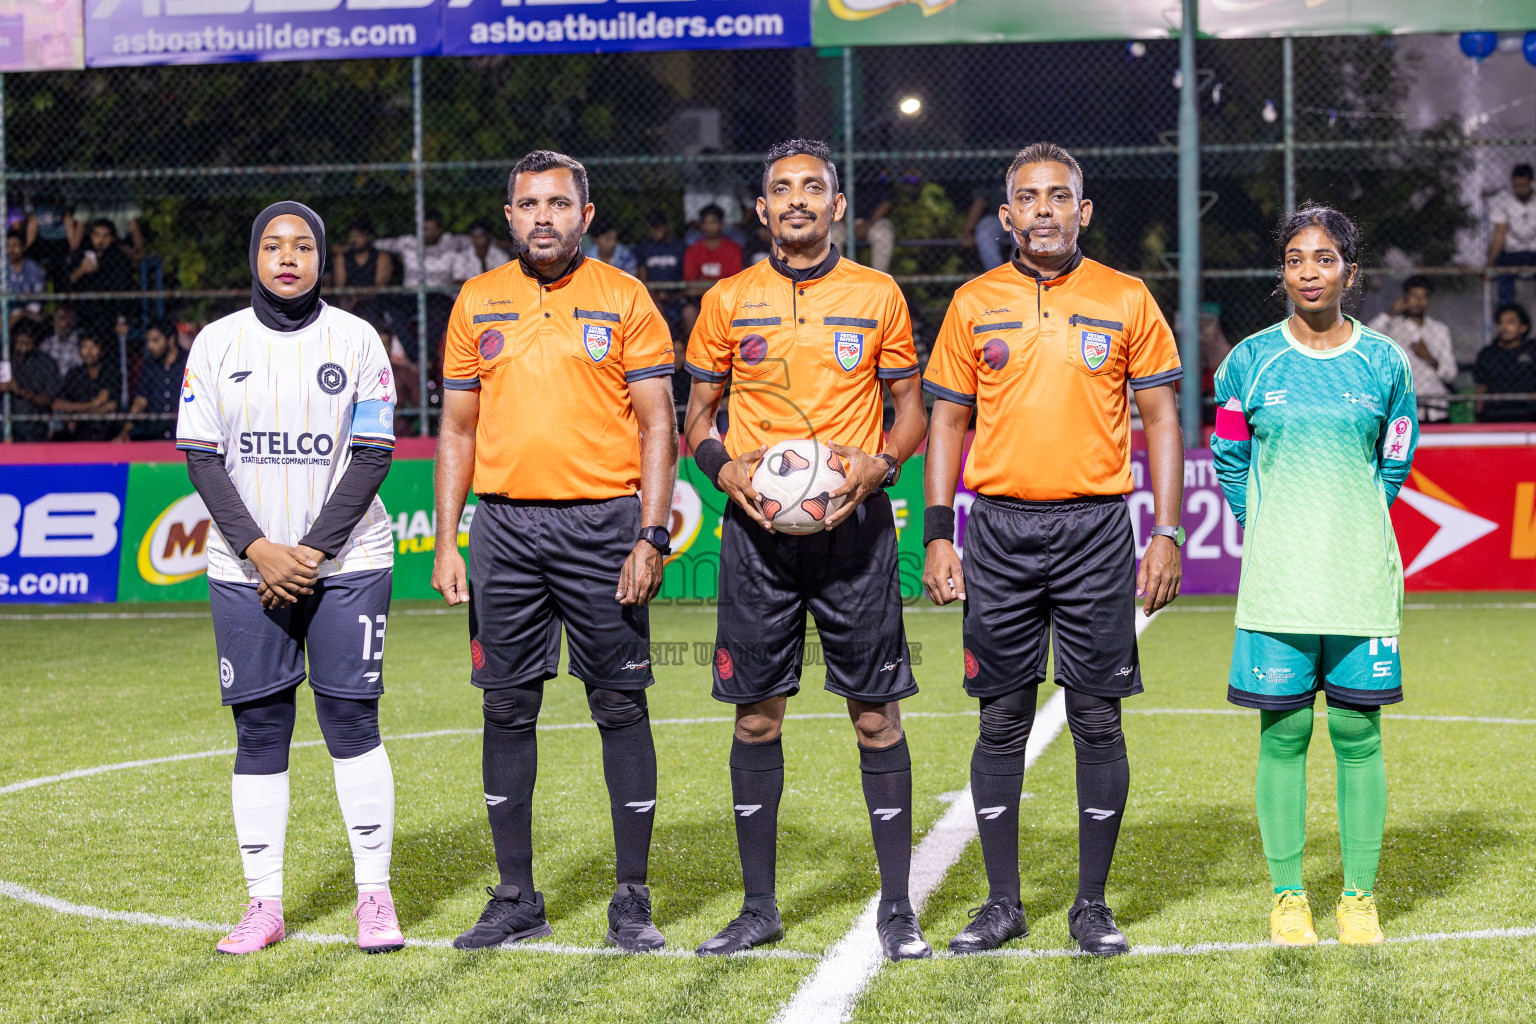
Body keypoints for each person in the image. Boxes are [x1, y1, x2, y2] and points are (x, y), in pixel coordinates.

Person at [922, 142, 1185, 957]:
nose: (1044, 209)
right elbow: (947, 422)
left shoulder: (1127, 297)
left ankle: (1091, 906)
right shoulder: (973, 302)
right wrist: (939, 532)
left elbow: (1162, 420)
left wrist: (1166, 531)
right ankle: (1002, 904)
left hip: (1096, 531)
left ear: (1084, 210)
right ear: (1007, 216)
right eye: (1029, 198)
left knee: (1097, 716)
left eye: (1059, 196)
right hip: (998, 532)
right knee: (1001, 716)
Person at [683, 139, 931, 961]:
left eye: (812, 188)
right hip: (758, 538)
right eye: (782, 189)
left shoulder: (877, 294)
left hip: (855, 536)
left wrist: (882, 464)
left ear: (836, 205)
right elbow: (697, 419)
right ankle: (758, 909)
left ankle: (897, 909)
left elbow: (910, 408)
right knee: (756, 720)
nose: (797, 200)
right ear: (762, 209)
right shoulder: (727, 300)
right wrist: (723, 469)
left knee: (876, 718)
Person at [432, 150, 679, 953]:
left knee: (619, 704)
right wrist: (447, 541)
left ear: (585, 214)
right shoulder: (477, 300)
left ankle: (631, 899)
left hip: (604, 528)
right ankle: (516, 898)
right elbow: (457, 430)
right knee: (506, 707)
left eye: (559, 203)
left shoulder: (626, 297)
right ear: (510, 216)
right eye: (530, 204)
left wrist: (650, 534)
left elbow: (659, 425)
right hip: (504, 531)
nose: (544, 217)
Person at [175, 202, 404, 956]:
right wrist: (257, 550)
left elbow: (373, 453)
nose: (287, 257)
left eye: (303, 245)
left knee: (352, 723)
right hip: (244, 568)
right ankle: (263, 905)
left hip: (348, 562)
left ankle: (374, 896)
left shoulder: (358, 339)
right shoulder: (217, 342)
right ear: (254, 257)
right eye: (273, 245)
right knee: (260, 729)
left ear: (321, 259)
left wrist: (305, 553)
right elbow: (202, 456)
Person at [1210, 204, 1417, 948]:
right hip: (1279, 582)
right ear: (1282, 273)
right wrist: (1266, 525)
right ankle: (1288, 896)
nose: (1309, 272)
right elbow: (1229, 454)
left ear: (1349, 273)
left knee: (1358, 732)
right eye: (1296, 259)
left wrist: (1355, 523)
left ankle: (1358, 897)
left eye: (1324, 259)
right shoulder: (1248, 362)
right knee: (1285, 732)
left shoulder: (1386, 363)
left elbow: (1396, 456)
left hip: (1359, 579)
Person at [1367, 276, 1458, 422]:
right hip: (1403, 407)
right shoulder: (1393, 327)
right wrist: (1389, 314)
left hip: (1437, 408)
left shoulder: (1440, 330)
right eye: (1414, 296)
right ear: (1405, 298)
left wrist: (1429, 358)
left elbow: (1451, 374)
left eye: (1423, 297)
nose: (1418, 302)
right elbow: (1367, 338)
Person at [66, 218, 137, 340]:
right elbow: (66, 282)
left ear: (112, 238)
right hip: (83, 308)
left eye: (105, 236)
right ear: (91, 236)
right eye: (97, 235)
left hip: (109, 309)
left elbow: (124, 286)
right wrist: (81, 270)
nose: (100, 240)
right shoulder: (81, 254)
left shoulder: (119, 258)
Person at [116, 321, 185, 441]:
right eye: (147, 341)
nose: (150, 346)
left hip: (183, 433)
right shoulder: (149, 365)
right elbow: (141, 400)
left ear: (171, 340)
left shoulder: (187, 362)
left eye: (155, 340)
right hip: (154, 433)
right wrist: (125, 430)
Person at [1473, 303, 1536, 423]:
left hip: (1529, 415)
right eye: (1500, 323)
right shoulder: (1488, 354)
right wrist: (1477, 416)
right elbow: (1482, 388)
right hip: (1494, 415)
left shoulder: (1532, 350)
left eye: (1510, 322)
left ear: (1523, 327)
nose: (1504, 327)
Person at [0, 318, 60, 441]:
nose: (22, 345)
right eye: (19, 341)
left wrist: (20, 391)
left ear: (35, 341)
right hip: (3, 423)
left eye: (27, 341)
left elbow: (48, 399)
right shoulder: (5, 358)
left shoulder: (47, 363)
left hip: (33, 426)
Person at [54, 333, 121, 441]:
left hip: (106, 430)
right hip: (80, 431)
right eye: (85, 347)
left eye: (93, 347)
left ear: (101, 350)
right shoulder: (74, 374)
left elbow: (110, 407)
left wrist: (77, 414)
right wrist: (92, 405)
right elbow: (58, 404)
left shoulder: (110, 372)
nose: (88, 352)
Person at [829, 166, 896, 273]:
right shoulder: (838, 171)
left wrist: (868, 223)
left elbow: (887, 201)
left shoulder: (878, 170)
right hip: (844, 221)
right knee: (832, 234)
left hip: (872, 221)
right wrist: (848, 225)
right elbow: (832, 201)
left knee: (884, 234)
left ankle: (878, 279)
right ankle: (841, 278)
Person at [1487, 164, 1536, 307]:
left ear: (1531, 182)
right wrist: (1490, 264)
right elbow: (1500, 233)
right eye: (1516, 186)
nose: (1519, 189)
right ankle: (1507, 310)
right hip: (1512, 253)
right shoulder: (1503, 200)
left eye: (1523, 185)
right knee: (1504, 270)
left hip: (1534, 251)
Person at [334, 220, 395, 315]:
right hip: (350, 302)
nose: (353, 240)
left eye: (357, 236)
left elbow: (380, 287)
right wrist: (348, 300)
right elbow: (340, 286)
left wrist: (359, 298)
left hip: (374, 304)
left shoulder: (381, 257)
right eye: (351, 236)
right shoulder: (343, 257)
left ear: (368, 237)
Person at [683, 204, 743, 296]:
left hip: (726, 297)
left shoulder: (733, 249)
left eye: (713, 222)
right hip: (699, 298)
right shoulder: (693, 250)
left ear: (721, 224)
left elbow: (734, 282)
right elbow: (691, 284)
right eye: (705, 223)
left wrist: (704, 286)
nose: (709, 226)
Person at [451, 218, 511, 282]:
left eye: (480, 235)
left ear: (488, 236)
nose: (477, 239)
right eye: (475, 236)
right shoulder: (463, 256)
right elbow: (458, 279)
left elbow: (504, 279)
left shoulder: (500, 256)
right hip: (471, 288)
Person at [41, 304, 82, 376]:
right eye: (55, 319)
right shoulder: (47, 344)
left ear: (72, 321)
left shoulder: (80, 343)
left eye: (62, 318)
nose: (58, 322)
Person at [7, 229, 47, 297]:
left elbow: (38, 295)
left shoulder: (33, 269)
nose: (11, 250)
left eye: (15, 246)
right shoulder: (3, 267)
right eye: (8, 246)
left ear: (23, 247)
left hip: (28, 303)